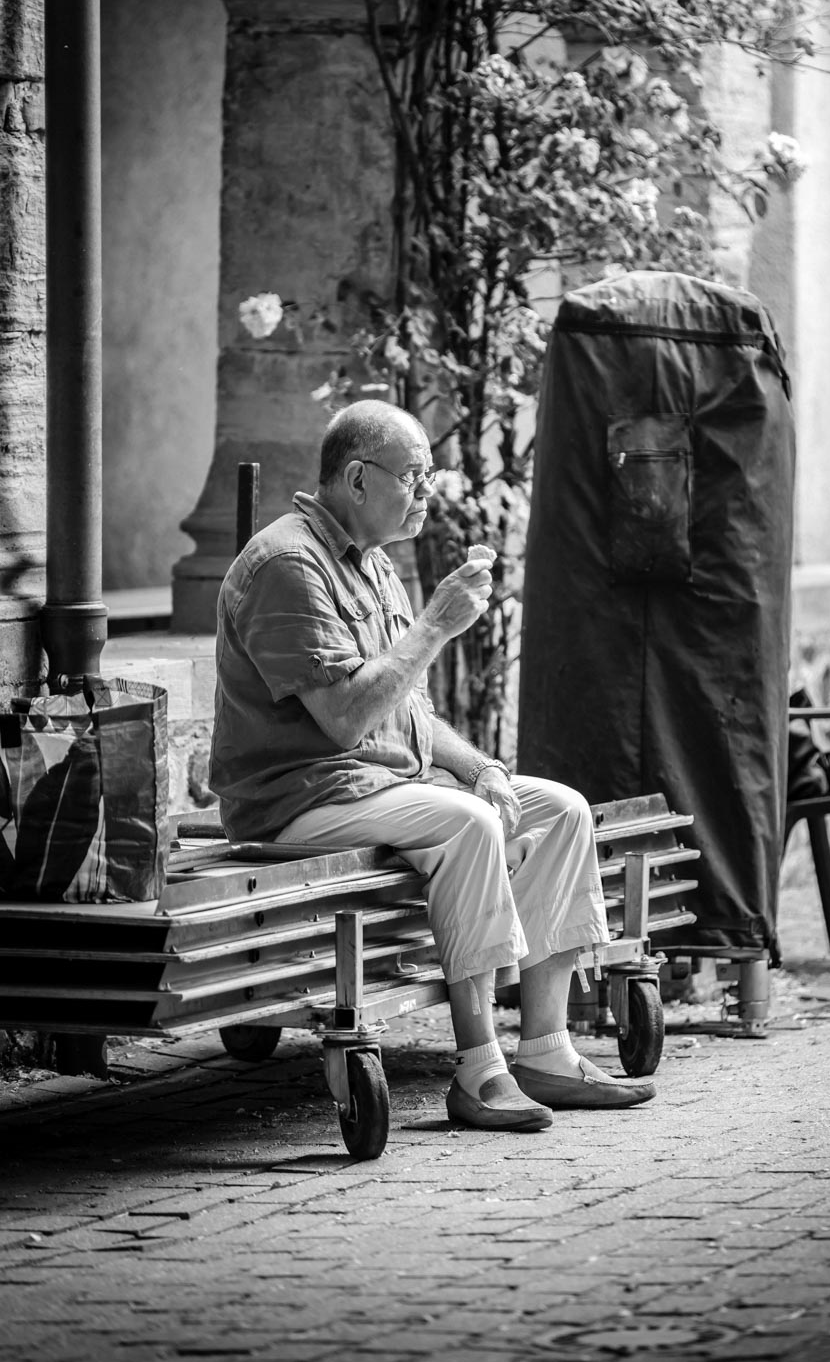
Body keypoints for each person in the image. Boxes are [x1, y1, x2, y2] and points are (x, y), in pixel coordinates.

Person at [210, 400, 655, 1132]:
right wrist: (436, 625)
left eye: (429, 475)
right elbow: (348, 719)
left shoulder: (373, 561)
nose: (426, 492)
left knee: (559, 809)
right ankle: (479, 1072)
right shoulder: (288, 565)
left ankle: (546, 1049)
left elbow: (406, 705)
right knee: (469, 825)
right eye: (414, 476)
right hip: (298, 796)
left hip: (382, 783)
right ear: (357, 478)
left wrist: (480, 766)